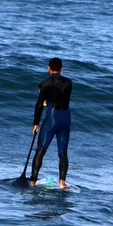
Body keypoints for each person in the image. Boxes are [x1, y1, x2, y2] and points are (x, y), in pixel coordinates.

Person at [30, 57, 73, 189]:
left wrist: (36, 123)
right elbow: (63, 98)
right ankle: (62, 183)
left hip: (52, 118)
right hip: (65, 118)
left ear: (48, 68)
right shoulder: (69, 82)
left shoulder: (45, 83)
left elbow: (39, 105)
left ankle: (33, 181)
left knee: (41, 151)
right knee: (63, 153)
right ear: (62, 68)